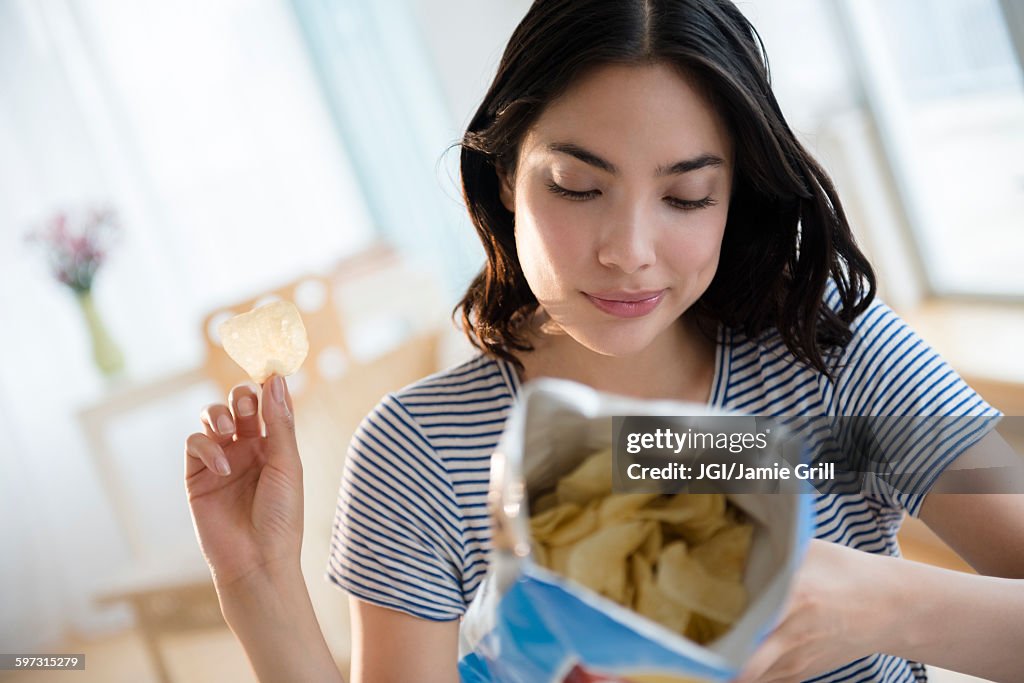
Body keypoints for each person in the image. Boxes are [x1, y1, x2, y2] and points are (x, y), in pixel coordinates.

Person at [183, 1, 1024, 681]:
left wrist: (884, 604)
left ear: (738, 196)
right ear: (506, 174)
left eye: (687, 196)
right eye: (579, 187)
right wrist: (257, 587)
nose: (629, 250)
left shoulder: (837, 350)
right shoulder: (420, 453)